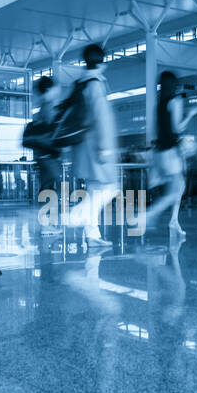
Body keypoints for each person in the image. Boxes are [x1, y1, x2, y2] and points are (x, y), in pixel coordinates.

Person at [66, 43, 118, 248]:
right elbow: (101, 117)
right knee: (111, 188)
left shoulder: (80, 83)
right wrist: (105, 147)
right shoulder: (95, 83)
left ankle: (92, 234)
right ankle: (75, 215)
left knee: (95, 190)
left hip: (82, 147)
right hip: (96, 146)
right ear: (102, 61)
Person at [142, 70, 197, 238]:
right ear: (174, 84)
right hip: (171, 152)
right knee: (176, 189)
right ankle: (150, 215)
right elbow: (177, 128)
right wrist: (191, 114)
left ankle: (173, 221)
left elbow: (156, 130)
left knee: (179, 186)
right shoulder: (175, 101)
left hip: (159, 152)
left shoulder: (159, 104)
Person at [24, 75, 64, 235]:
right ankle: (46, 224)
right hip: (48, 157)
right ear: (49, 90)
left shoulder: (43, 107)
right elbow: (53, 133)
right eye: (55, 88)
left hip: (43, 156)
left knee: (48, 189)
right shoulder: (48, 108)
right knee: (50, 190)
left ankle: (46, 223)